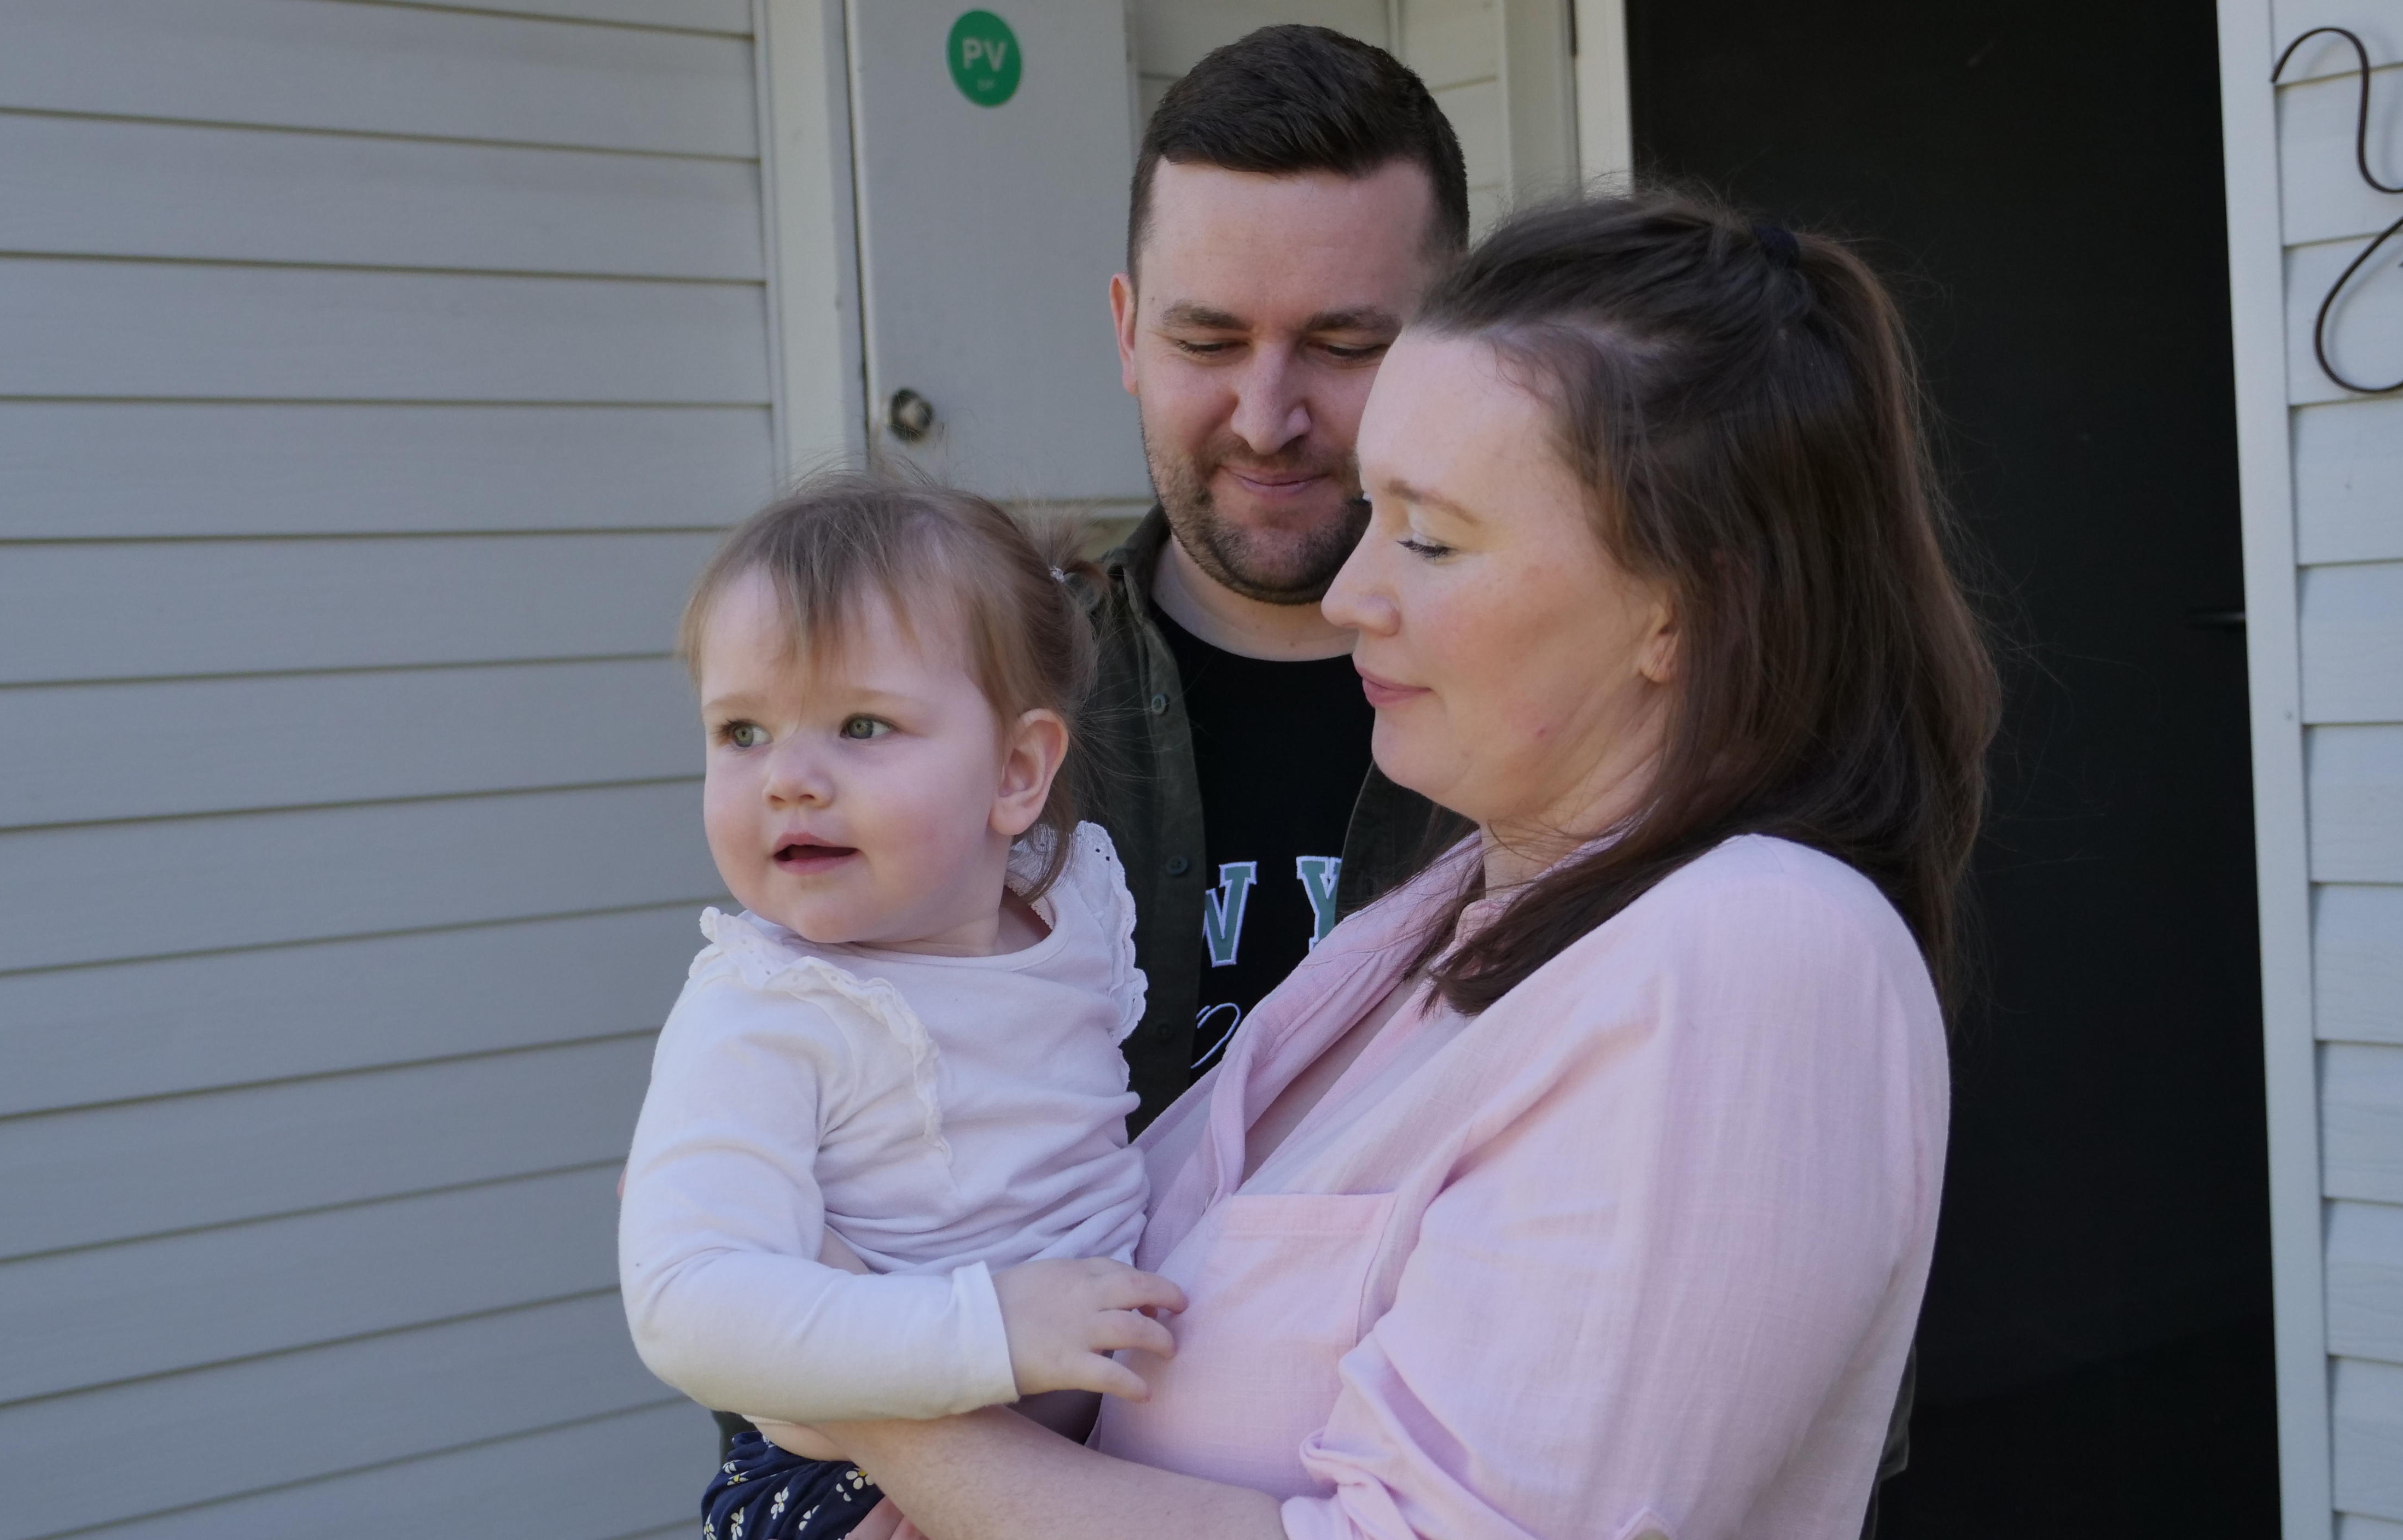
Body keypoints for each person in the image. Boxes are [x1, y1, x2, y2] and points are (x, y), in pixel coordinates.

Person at [816, 189, 2000, 1539]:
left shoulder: (1755, 958)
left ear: (1684, 604)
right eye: (1372, 513)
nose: (1350, 593)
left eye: (1430, 538)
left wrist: (880, 1410)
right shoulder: (1457, 913)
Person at [619, 479, 1192, 1539]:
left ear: (1016, 771)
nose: (788, 778)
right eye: (741, 731)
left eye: (862, 724)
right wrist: (990, 1328)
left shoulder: (1073, 904)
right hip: (853, 1482)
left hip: (1091, 1445)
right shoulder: (768, 1008)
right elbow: (684, 1302)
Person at [1079, 26, 1470, 1124]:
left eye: (1345, 347)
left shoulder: (1567, 705)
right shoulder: (993, 696)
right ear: (1126, 333)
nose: (1266, 421)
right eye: (1206, 343)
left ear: (1461, 341)